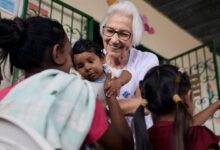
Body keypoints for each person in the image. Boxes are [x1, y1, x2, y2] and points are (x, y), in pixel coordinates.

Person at [0, 16, 134, 150]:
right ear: (57, 53)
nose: (72, 65)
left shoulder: (3, 97)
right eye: (70, 55)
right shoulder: (77, 94)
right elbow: (124, 147)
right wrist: (111, 98)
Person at [100, 0, 159, 127]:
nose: (115, 40)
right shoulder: (94, 60)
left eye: (123, 34)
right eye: (110, 31)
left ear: (134, 38)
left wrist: (99, 108)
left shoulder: (146, 60)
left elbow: (145, 104)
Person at [133, 64, 220, 150]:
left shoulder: (144, 139)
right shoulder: (199, 135)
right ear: (189, 96)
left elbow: (183, 125)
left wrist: (217, 104)